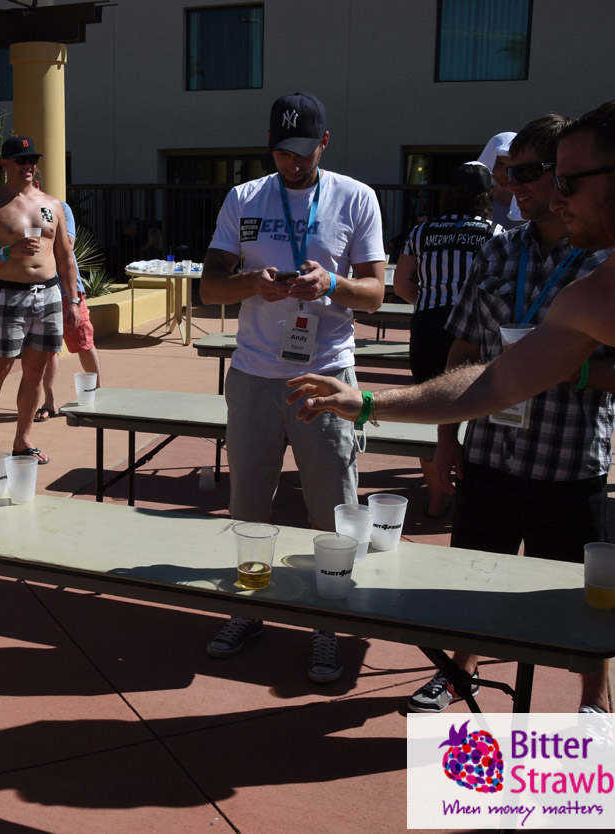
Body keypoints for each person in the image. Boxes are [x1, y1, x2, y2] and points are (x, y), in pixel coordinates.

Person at [288, 100, 615, 714]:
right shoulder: (600, 297)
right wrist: (368, 401)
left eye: (566, 182)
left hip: (571, 466)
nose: (552, 198)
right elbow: (492, 383)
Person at [408, 116, 615, 714]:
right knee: (473, 579)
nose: (512, 185)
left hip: (568, 465)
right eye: (508, 173)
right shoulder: (499, 250)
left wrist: (562, 368)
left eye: (526, 172)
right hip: (492, 455)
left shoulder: (607, 262)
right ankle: (460, 674)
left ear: (565, 175)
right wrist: (447, 443)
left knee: (582, 598)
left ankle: (595, 699)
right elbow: (463, 353)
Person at [198, 92, 386, 683]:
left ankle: (326, 622)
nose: (291, 163)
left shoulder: (356, 198)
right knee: (249, 505)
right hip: (254, 375)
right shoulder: (244, 197)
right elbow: (210, 287)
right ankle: (249, 607)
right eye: (281, 152)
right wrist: (251, 282)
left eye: (302, 152)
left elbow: (378, 292)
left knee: (331, 508)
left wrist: (332, 282)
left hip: (325, 373)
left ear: (323, 144)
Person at [393, 162, 503, 516]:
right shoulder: (495, 232)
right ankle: (474, 489)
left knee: (430, 405)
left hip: (428, 324)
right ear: (485, 197)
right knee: (480, 406)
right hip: (476, 330)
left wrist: (428, 304)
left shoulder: (421, 232)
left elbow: (402, 285)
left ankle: (438, 495)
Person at [0, 136, 79, 467]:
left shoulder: (52, 205)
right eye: (21, 159)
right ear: (5, 164)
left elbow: (65, 256)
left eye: (32, 159)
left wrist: (72, 299)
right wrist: (7, 252)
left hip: (50, 295)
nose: (28, 165)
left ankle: (23, 440)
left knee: (36, 370)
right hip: (9, 295)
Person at [33, 169, 101, 421]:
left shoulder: (61, 208)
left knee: (83, 342)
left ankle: (98, 395)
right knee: (47, 350)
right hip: (41, 290)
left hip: (68, 290)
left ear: (37, 184)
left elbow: (67, 244)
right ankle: (49, 402)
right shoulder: (19, 212)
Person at [477, 132, 524, 230]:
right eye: (501, 164)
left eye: (512, 166)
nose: (506, 172)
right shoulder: (477, 201)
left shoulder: (531, 199)